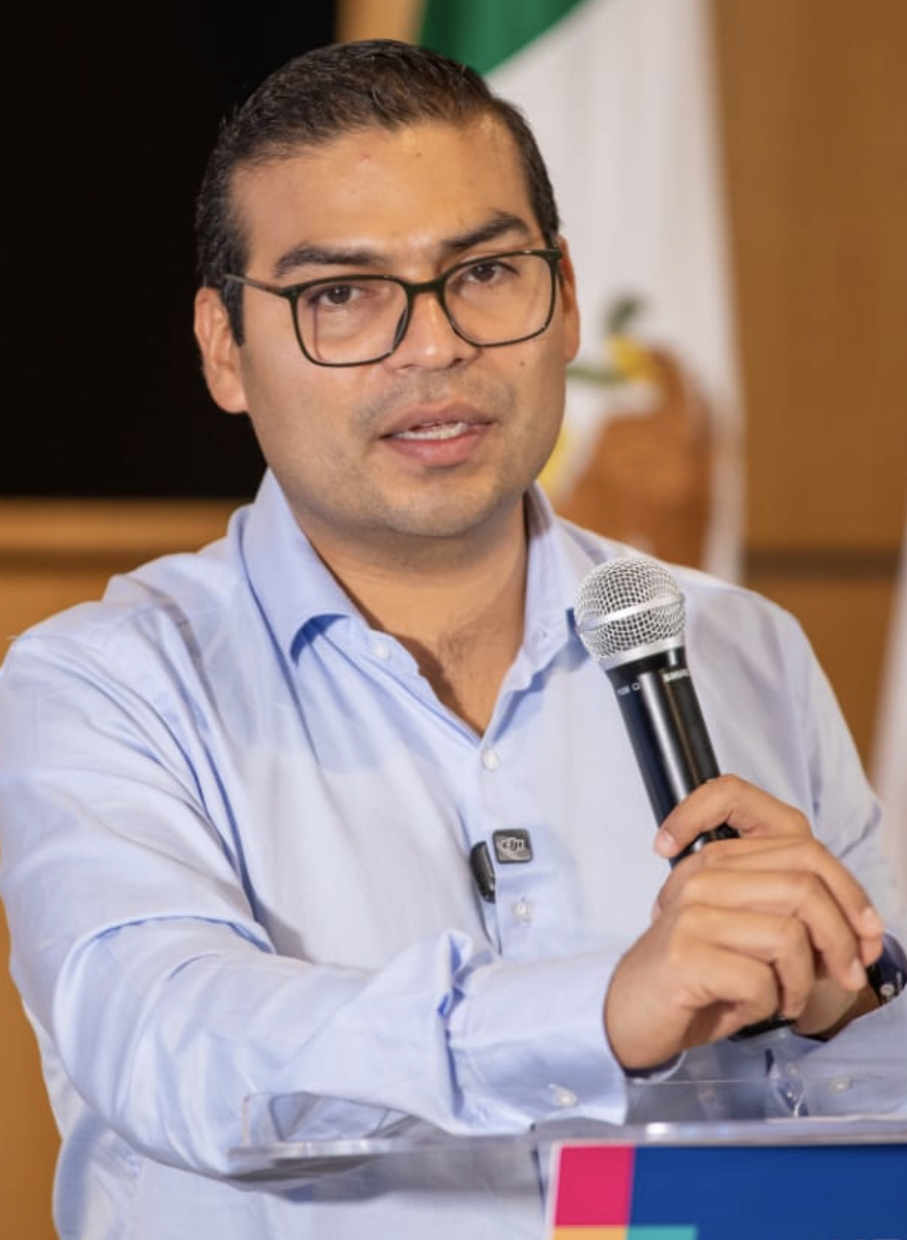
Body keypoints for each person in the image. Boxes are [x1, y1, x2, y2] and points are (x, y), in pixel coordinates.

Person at [0, 38, 904, 1240]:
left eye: (482, 272)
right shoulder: (105, 681)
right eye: (340, 294)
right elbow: (171, 1043)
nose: (433, 346)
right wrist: (599, 1009)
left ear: (565, 296)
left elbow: (876, 1104)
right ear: (225, 349)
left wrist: (844, 1002)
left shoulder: (742, 647)